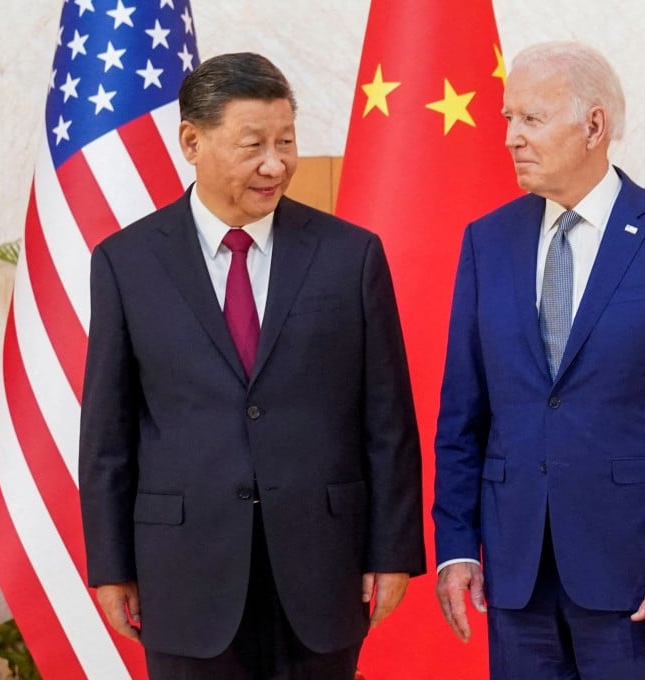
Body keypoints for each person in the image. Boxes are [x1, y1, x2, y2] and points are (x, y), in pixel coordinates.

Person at [79, 52, 425, 680]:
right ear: (192, 140)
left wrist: (392, 552)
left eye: (286, 140)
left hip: (324, 569)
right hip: (184, 572)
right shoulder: (125, 263)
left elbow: (388, 421)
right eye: (254, 144)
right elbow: (108, 434)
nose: (276, 163)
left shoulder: (351, 256)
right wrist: (110, 566)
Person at [432, 41, 645, 679]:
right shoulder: (487, 240)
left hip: (637, 582)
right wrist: (456, 544)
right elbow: (463, 411)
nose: (512, 137)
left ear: (594, 126)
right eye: (507, 119)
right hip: (516, 577)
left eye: (532, 120)